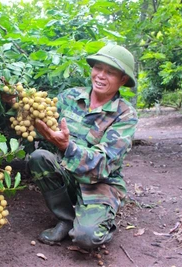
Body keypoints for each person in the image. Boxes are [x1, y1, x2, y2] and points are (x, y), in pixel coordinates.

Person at [27, 44, 138, 249]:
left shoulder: (125, 115)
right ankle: (66, 218)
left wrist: (67, 147)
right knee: (39, 157)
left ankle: (97, 217)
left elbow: (103, 163)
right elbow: (40, 118)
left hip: (100, 182)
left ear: (123, 80)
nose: (101, 76)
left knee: (87, 239)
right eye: (98, 68)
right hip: (68, 172)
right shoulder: (69, 97)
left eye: (110, 72)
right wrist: (17, 101)